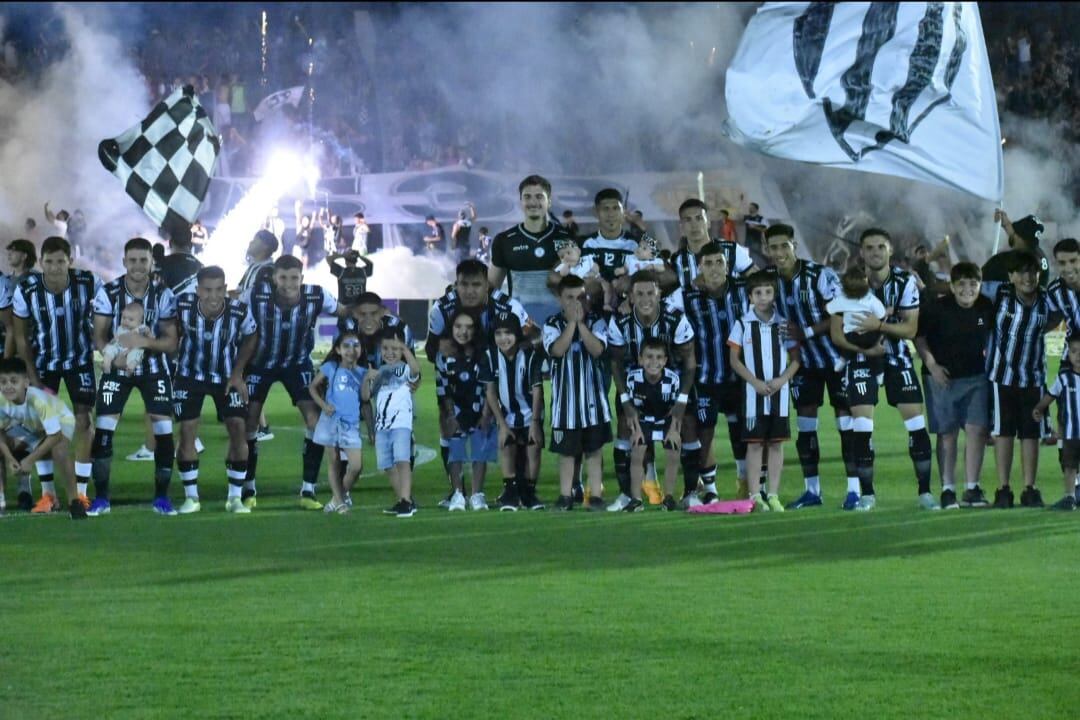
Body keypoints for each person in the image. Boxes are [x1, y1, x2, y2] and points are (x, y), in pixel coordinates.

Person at [761, 224, 854, 509]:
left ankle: (854, 490)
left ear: (794, 246)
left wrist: (807, 333)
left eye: (783, 246)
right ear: (767, 250)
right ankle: (812, 491)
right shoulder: (769, 282)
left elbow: (841, 310)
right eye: (773, 247)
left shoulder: (819, 275)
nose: (778, 253)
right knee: (806, 428)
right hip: (803, 364)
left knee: (847, 426)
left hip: (836, 360)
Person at [243, 255, 341, 510]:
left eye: (294, 278)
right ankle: (248, 486)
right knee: (250, 421)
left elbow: (343, 313)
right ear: (274, 277)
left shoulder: (317, 296)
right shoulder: (255, 295)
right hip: (259, 365)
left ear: (302, 278)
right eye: (283, 277)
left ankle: (308, 490)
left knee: (315, 421)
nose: (288, 283)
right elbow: (232, 306)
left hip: (297, 364)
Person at [90, 238, 179, 516]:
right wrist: (114, 356)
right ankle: (101, 498)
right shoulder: (109, 292)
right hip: (118, 370)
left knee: (164, 432)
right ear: (124, 261)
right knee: (104, 430)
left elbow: (171, 343)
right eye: (133, 260)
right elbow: (99, 336)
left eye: (144, 260)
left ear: (152, 262)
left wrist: (141, 344)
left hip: (154, 371)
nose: (138, 266)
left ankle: (162, 498)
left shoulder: (164, 295)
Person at [851, 228, 937, 510]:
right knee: (862, 427)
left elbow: (910, 328)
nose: (875, 252)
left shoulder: (904, 282)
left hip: (897, 358)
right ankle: (867, 495)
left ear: (889, 251)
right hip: (861, 359)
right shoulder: (850, 283)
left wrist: (878, 325)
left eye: (880, 247)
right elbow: (844, 327)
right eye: (869, 247)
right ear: (861, 252)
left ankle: (925, 493)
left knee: (916, 425)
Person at [12, 236, 99, 503]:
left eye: (60, 261)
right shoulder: (26, 288)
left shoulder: (88, 282)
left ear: (70, 261)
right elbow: (21, 337)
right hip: (43, 363)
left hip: (79, 361)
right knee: (42, 425)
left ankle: (81, 492)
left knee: (84, 421)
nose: (55, 267)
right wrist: (32, 377)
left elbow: (105, 318)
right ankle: (48, 493)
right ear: (40, 262)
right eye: (49, 262)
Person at [607, 271, 696, 511]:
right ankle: (628, 496)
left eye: (650, 293)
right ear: (631, 298)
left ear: (659, 294)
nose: (646, 298)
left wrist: (681, 402)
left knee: (686, 427)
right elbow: (615, 363)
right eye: (640, 294)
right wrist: (626, 400)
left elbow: (689, 364)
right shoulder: (620, 322)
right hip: (634, 386)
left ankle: (689, 493)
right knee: (626, 429)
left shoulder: (676, 319)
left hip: (671, 385)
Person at [171, 266, 256, 514]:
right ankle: (191, 498)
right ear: (198, 290)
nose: (213, 296)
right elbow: (167, 330)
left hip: (226, 377)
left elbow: (252, 336)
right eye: (207, 290)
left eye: (219, 289)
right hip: (189, 376)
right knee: (187, 431)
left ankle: (235, 498)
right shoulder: (182, 305)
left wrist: (238, 372)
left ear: (224, 288)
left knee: (238, 428)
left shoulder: (239, 310)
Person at [914, 262, 994, 509]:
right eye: (961, 284)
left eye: (973, 284)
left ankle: (972, 488)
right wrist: (933, 365)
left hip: (976, 377)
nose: (967, 289)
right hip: (942, 378)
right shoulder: (936, 308)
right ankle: (948, 489)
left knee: (976, 430)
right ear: (951, 286)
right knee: (947, 434)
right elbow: (919, 338)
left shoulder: (986, 306)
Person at [984, 251, 1056, 509]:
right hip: (1001, 376)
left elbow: (1061, 315)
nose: (1028, 277)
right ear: (1011, 276)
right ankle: (1003, 488)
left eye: (1033, 271)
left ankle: (1029, 488)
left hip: (1033, 377)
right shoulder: (999, 292)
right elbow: (968, 287)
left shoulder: (1047, 299)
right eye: (1022, 272)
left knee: (1030, 434)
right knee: (1003, 433)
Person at [728, 271, 800, 512]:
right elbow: (734, 360)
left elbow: (796, 360)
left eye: (768, 292)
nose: (763, 297)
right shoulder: (742, 324)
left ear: (774, 294)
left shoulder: (784, 324)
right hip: (753, 395)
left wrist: (782, 380)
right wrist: (754, 382)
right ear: (750, 296)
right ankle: (755, 494)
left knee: (777, 444)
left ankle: (774, 494)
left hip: (779, 394)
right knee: (755, 444)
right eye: (758, 293)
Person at [682, 243, 748, 504]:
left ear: (727, 266)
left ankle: (745, 482)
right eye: (708, 263)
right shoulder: (690, 299)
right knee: (705, 432)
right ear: (700, 268)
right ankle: (710, 489)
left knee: (741, 431)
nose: (714, 268)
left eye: (719, 262)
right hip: (707, 378)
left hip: (740, 377)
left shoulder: (745, 291)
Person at [543, 274, 612, 511]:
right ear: (560, 299)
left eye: (580, 297)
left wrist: (581, 324)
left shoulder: (597, 322)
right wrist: (571, 323)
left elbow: (597, 350)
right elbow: (557, 350)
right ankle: (565, 496)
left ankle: (595, 496)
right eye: (569, 297)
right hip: (566, 405)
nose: (575, 302)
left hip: (593, 402)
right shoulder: (552, 324)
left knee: (594, 451)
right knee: (567, 453)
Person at [0, 357, 85, 518]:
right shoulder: (1, 400)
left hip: (61, 419)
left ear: (26, 383)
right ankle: (2, 500)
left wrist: (29, 460)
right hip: (32, 425)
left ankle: (75, 502)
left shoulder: (38, 401)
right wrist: (10, 458)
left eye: (13, 381)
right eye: (3, 382)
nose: (8, 386)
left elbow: (55, 435)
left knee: (59, 451)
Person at [480, 314, 544, 511]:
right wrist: (501, 424)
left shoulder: (530, 355)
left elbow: (537, 390)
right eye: (498, 333)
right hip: (507, 414)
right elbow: (490, 391)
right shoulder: (490, 356)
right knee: (507, 445)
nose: (503, 338)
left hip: (530, 413)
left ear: (517, 334)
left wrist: (534, 422)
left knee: (533, 448)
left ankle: (529, 492)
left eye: (508, 333)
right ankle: (510, 491)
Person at [489, 175, 572, 324]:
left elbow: (577, 284)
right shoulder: (504, 240)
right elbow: (491, 288)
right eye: (527, 197)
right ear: (521, 202)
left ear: (550, 202)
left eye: (539, 196)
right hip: (520, 328)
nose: (533, 202)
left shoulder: (567, 238)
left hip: (560, 326)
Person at [436, 311, 496, 511]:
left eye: (469, 327)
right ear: (451, 329)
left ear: (476, 330)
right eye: (458, 326)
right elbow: (443, 389)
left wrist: (487, 414)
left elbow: (489, 386)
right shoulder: (445, 357)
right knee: (456, 453)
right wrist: (450, 415)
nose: (463, 331)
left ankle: (477, 494)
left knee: (480, 452)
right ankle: (458, 494)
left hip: (480, 410)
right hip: (456, 411)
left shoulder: (483, 355)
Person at [362, 326, 421, 517]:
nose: (390, 353)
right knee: (387, 465)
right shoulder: (380, 372)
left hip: (401, 424)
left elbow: (415, 371)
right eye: (386, 348)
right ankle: (404, 499)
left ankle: (405, 501)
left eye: (395, 349)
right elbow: (366, 397)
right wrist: (366, 379)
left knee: (402, 461)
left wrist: (405, 350)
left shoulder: (404, 370)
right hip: (382, 426)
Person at [308, 331, 369, 514]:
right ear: (338, 349)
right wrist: (323, 405)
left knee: (356, 466)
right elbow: (312, 387)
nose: (352, 350)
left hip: (351, 426)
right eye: (347, 346)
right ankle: (340, 502)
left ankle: (337, 497)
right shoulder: (330, 367)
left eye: (356, 345)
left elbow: (366, 398)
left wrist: (368, 377)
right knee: (333, 461)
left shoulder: (362, 372)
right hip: (330, 422)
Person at [624, 338, 687, 511]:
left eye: (659, 357)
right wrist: (635, 431)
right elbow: (632, 409)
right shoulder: (633, 379)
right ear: (641, 359)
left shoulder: (672, 379)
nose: (654, 362)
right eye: (649, 357)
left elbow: (676, 409)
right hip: (644, 418)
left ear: (665, 360)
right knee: (636, 452)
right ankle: (636, 499)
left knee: (674, 451)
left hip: (666, 418)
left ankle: (668, 497)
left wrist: (674, 431)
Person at [1033, 334, 1080, 510]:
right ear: (1068, 355)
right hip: (1070, 433)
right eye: (1074, 351)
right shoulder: (1064, 379)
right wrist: (1039, 408)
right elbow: (1050, 395)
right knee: (1069, 466)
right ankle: (1069, 497)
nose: (1078, 356)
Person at [672, 199, 753, 292]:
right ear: (681, 226)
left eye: (699, 218)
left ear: (708, 222)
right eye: (688, 220)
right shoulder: (677, 260)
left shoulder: (731, 249)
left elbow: (759, 281)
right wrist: (692, 286)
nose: (694, 225)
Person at [234, 230, 278, 303]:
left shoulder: (267, 271)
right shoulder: (253, 266)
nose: (250, 243)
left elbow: (250, 298)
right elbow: (239, 291)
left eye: (255, 240)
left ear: (265, 246)